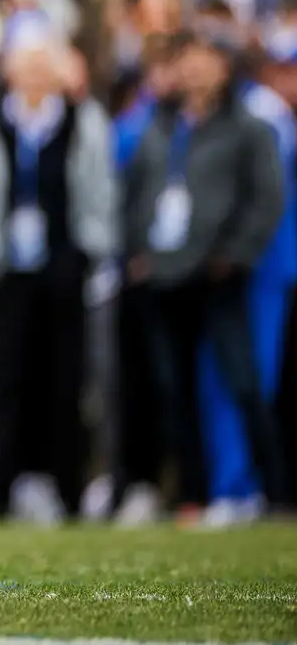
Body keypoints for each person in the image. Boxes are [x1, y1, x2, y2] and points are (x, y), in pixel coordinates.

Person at [0, 13, 118, 520]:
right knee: (6, 381)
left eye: (44, 62)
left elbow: (100, 191)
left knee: (65, 382)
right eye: (26, 62)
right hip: (5, 267)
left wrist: (93, 250)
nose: (36, 73)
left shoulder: (81, 119)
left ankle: (67, 490)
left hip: (63, 265)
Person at [121, 25, 288, 512]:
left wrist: (234, 255)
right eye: (186, 57)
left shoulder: (249, 127)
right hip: (164, 275)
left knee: (243, 383)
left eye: (206, 57)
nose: (194, 67)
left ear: (226, 66)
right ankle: (193, 495)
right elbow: (136, 193)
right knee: (174, 391)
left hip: (218, 275)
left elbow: (266, 199)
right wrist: (137, 252)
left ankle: (275, 492)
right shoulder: (159, 125)